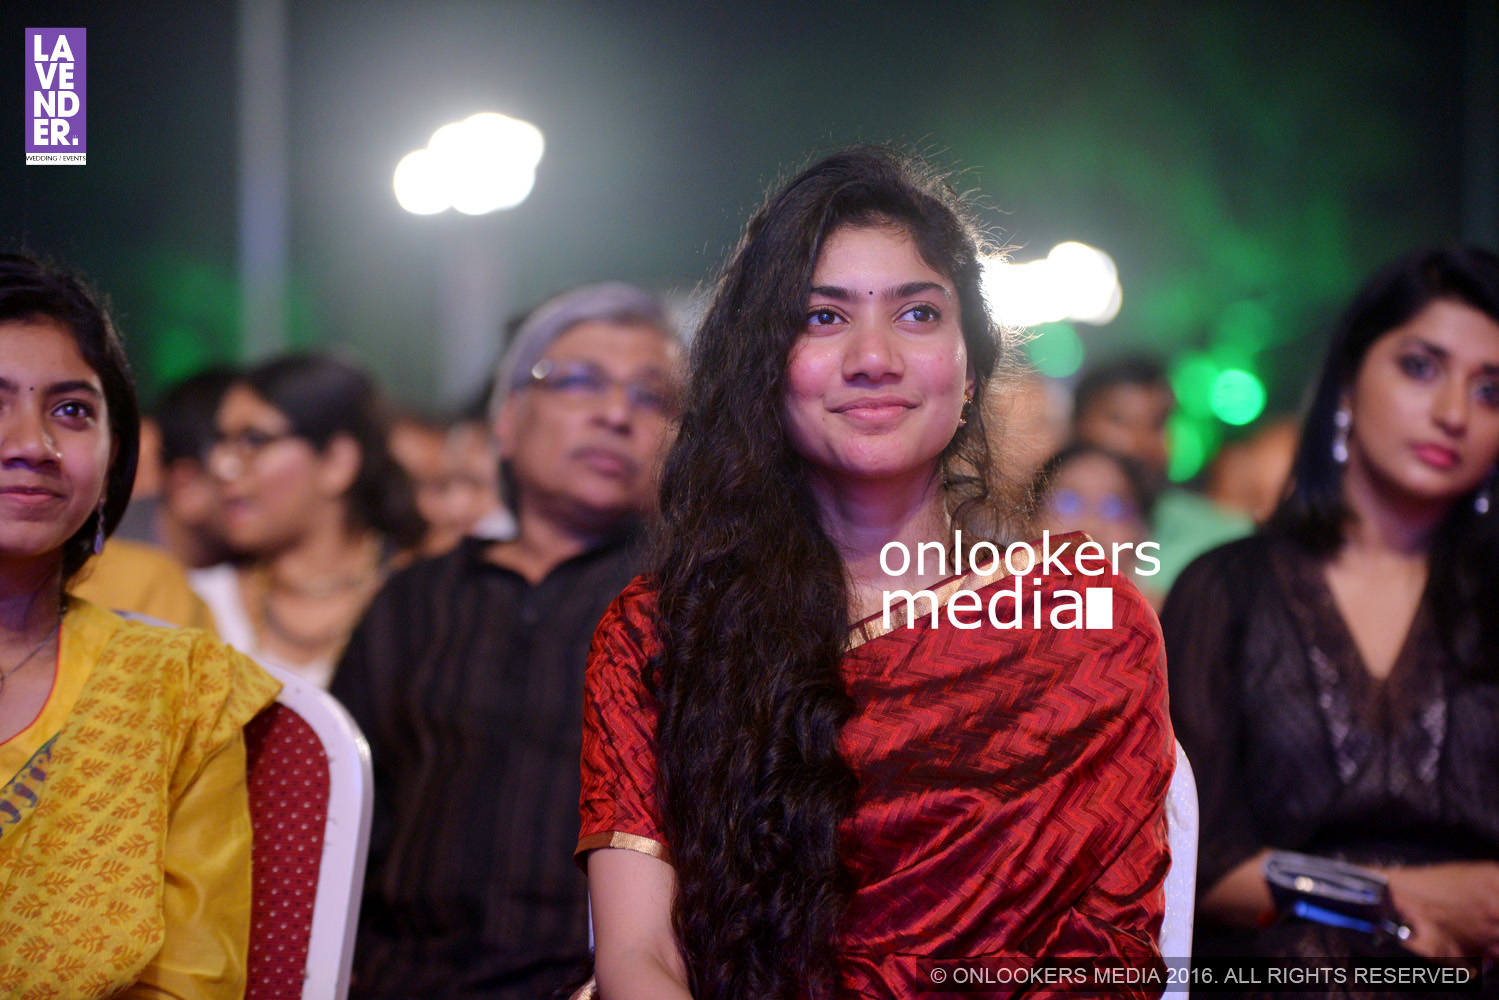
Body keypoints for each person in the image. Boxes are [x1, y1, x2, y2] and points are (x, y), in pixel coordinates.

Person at [578, 147, 1173, 999]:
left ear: (969, 369)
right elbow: (638, 957)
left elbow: (1106, 964)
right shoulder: (658, 630)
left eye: (918, 315)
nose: (873, 358)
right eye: (822, 318)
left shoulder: (1085, 625)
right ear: (764, 369)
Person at [332, 282, 680, 999]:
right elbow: (344, 811)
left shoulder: (691, 602)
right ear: (508, 418)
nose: (616, 414)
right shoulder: (414, 599)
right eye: (580, 382)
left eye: (651, 397)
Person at [1162, 247, 1499, 977]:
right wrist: (1388, 897)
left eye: (1489, 391)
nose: (1451, 413)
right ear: (1346, 381)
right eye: (1420, 366)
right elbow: (1197, 864)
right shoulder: (1227, 592)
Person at [0, 252, 279, 996]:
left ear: (115, 456)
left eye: (71, 410)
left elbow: (194, 981)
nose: (33, 444)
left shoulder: (179, 687)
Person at [189, 352, 425, 688]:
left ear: (336, 462)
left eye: (253, 440)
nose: (222, 466)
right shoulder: (197, 603)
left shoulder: (422, 606)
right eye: (220, 442)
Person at [1071, 357, 1252, 592]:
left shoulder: (1220, 538)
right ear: (1076, 424)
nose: (1140, 442)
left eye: (1157, 424)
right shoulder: (1035, 523)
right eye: (1120, 421)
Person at [1033, 442, 1158, 603]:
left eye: (1114, 508)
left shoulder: (1165, 621)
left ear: (1140, 530)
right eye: (1068, 503)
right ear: (1031, 518)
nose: (1091, 525)